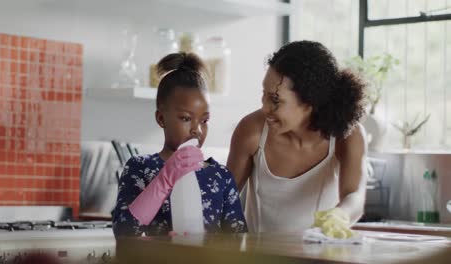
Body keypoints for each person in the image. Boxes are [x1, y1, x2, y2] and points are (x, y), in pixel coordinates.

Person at [227, 40, 368, 236]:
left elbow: (354, 196)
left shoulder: (347, 136)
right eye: (264, 95)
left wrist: (340, 215)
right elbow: (224, 200)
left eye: (275, 100)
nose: (265, 108)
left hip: (320, 257)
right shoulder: (252, 131)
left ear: (310, 102)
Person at [112, 52, 247, 237]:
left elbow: (239, 241)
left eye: (204, 121)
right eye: (186, 118)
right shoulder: (140, 168)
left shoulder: (220, 176)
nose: (197, 130)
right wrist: (164, 180)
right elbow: (124, 232)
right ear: (161, 118)